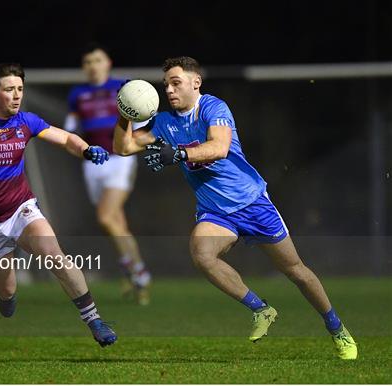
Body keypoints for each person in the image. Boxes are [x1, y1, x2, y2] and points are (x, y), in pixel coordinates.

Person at [113, 56, 357, 359]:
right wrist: (125, 112)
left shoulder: (213, 108)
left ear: (195, 82)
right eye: (166, 85)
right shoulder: (164, 122)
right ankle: (261, 309)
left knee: (296, 271)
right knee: (202, 253)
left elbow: (219, 147)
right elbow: (122, 147)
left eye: (176, 83)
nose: (170, 91)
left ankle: (337, 328)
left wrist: (177, 154)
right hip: (215, 212)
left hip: (252, 202)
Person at [0, 62, 117, 347]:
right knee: (7, 291)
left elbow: (64, 137)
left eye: (20, 89)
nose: (17, 96)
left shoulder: (25, 121)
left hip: (21, 209)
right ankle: (5, 297)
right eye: (9, 90)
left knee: (53, 253)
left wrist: (86, 149)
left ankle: (94, 319)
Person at [64, 43, 151, 305]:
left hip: (120, 160)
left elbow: (143, 125)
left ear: (108, 63)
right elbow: (70, 133)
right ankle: (133, 274)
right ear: (84, 67)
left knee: (104, 216)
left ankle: (140, 274)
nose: (93, 65)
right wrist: (81, 151)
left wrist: (138, 141)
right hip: (93, 164)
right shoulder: (77, 95)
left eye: (98, 60)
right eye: (88, 61)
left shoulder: (122, 89)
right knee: (116, 223)